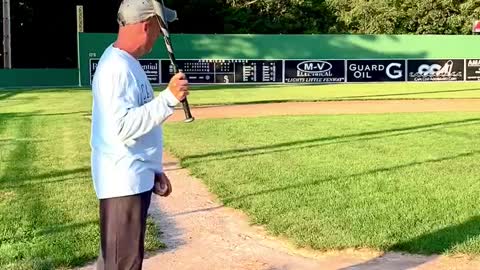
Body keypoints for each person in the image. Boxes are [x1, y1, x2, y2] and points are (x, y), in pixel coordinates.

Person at [89, 0, 189, 269]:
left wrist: (153, 168)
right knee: (122, 264)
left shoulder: (126, 62)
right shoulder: (116, 68)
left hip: (133, 176)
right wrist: (168, 99)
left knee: (121, 261)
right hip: (123, 182)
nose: (159, 36)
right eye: (159, 28)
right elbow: (123, 127)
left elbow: (136, 123)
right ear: (146, 26)